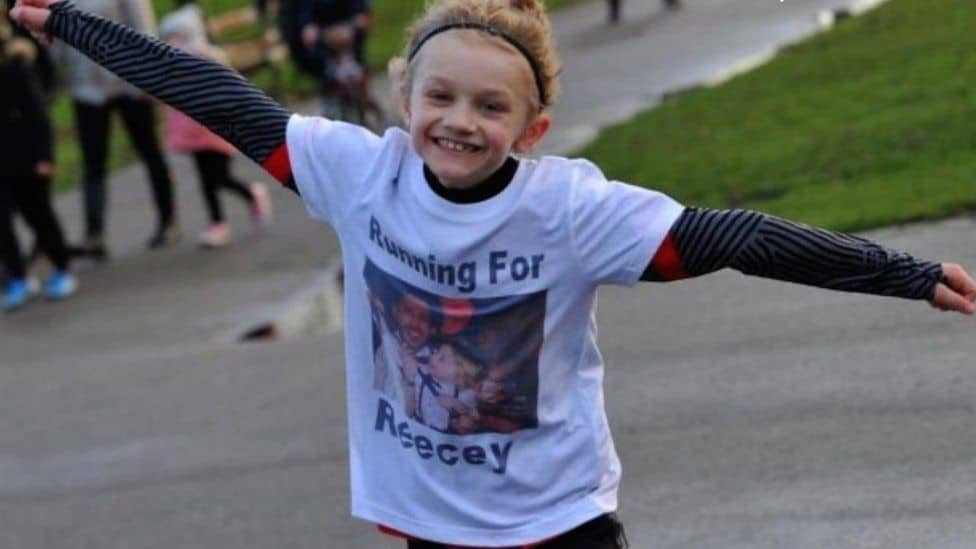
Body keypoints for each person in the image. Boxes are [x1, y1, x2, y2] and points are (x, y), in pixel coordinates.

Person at [10, 0, 976, 547]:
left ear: (532, 127)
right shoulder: (360, 174)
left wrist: (901, 272)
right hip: (429, 524)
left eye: (489, 106)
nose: (459, 122)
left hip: (559, 522)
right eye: (440, 96)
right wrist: (72, 24)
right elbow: (215, 95)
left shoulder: (570, 210)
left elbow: (734, 236)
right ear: (404, 98)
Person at [52, 0, 179, 258]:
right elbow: (56, 42)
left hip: (128, 83)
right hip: (88, 90)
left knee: (150, 152)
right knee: (93, 163)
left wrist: (148, 76)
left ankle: (168, 220)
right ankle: (94, 235)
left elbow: (144, 29)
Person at [159, 0, 272, 248]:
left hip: (214, 127)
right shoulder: (171, 62)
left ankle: (250, 194)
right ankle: (218, 223)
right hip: (192, 129)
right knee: (207, 178)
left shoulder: (205, 57)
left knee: (219, 176)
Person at [0, 10, 76, 311]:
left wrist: (44, 157)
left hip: (25, 160)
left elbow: (38, 118)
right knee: (2, 226)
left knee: (39, 216)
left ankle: (62, 268)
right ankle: (18, 278)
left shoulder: (16, 70)